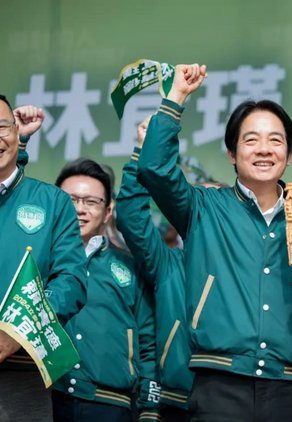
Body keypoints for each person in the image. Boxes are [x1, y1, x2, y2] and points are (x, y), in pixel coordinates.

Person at [137, 63, 292, 421]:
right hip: (219, 382)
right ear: (232, 153)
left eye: (275, 140)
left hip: (291, 385)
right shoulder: (202, 208)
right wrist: (176, 98)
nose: (264, 149)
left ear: (289, 155)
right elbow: (154, 169)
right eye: (251, 140)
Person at [0, 98, 87, 422]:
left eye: (1, 127)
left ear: (15, 132)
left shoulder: (52, 202)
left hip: (22, 372)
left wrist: (19, 331)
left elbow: (71, 280)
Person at [52, 159, 158, 422]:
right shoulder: (37, 261)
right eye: (70, 200)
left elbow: (149, 342)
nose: (79, 209)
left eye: (91, 202)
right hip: (45, 397)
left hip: (110, 405)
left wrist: (149, 406)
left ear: (108, 211)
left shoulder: (130, 266)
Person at [116, 116, 193, 421]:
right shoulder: (170, 264)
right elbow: (131, 216)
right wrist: (141, 151)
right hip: (175, 399)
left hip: (237, 398)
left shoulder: (250, 268)